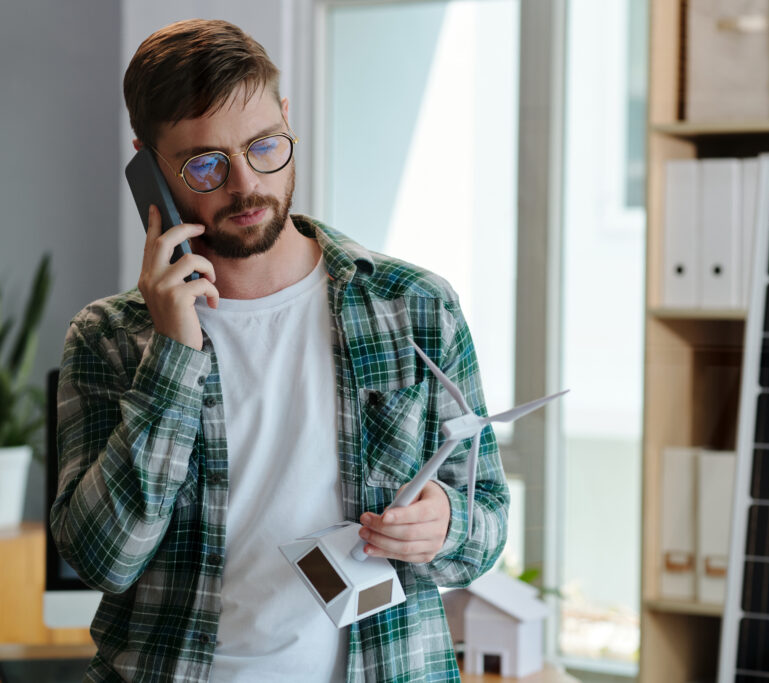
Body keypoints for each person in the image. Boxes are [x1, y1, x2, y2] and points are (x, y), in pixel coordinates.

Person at [50, 18, 509, 682]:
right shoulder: (110, 338)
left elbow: (487, 519)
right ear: (148, 167)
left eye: (265, 145)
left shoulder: (415, 306)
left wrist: (447, 526)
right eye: (206, 163)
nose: (245, 185)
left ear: (287, 118)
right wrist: (174, 356)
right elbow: (105, 557)